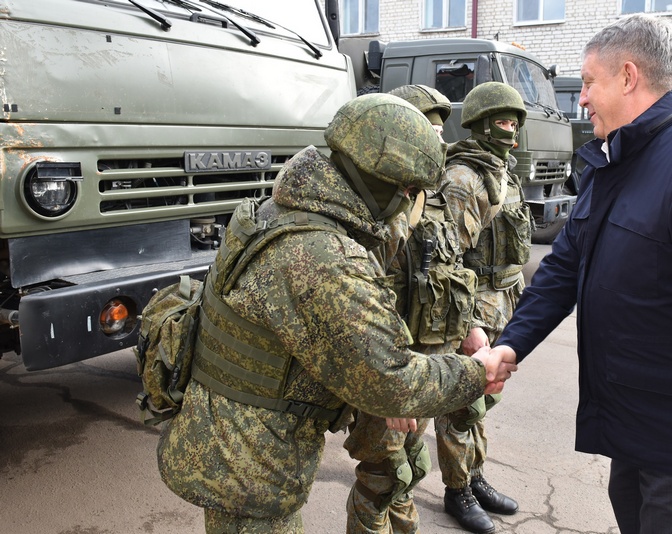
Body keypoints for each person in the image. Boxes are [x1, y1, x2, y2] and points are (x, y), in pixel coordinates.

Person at [156, 93, 515, 534]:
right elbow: (390, 379)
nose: (408, 205)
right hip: (247, 465)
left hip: (231, 443)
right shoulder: (324, 256)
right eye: (405, 191)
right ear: (375, 180)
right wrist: (477, 373)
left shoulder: (287, 208)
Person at [489, 14, 672, 534]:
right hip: (635, 438)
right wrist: (509, 346)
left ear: (628, 77)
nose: (580, 98)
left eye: (589, 82)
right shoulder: (616, 162)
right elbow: (563, 268)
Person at [343, 84, 467, 534]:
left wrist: (468, 328)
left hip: (423, 361)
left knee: (409, 469)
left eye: (439, 132)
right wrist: (389, 390)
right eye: (427, 131)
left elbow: (453, 270)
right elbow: (362, 308)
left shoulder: (429, 199)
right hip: (388, 366)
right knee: (382, 476)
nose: (439, 141)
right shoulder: (374, 210)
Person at [434, 81, 532, 534]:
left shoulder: (501, 172)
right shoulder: (464, 178)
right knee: (461, 406)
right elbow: (443, 260)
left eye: (515, 121)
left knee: (485, 400)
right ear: (479, 124)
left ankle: (475, 475)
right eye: (502, 120)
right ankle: (458, 491)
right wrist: (469, 324)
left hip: (504, 301)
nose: (511, 129)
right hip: (473, 307)